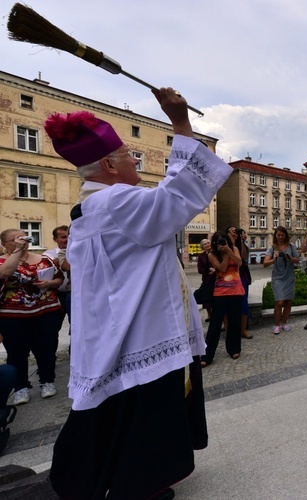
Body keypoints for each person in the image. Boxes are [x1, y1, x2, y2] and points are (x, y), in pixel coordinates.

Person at [45, 87, 234, 499]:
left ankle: (103, 479)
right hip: (142, 329)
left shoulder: (88, 208)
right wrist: (180, 123)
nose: (136, 162)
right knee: (146, 418)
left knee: (113, 411)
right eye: (131, 156)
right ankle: (139, 486)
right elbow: (180, 195)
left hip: (113, 327)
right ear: (111, 165)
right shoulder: (118, 201)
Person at [0, 229, 63, 405]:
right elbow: (4, 273)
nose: (23, 240)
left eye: (24, 237)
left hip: (46, 312)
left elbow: (59, 279)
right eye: (16, 239)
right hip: (13, 316)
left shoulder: (44, 259)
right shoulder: (3, 261)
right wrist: (17, 252)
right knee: (16, 353)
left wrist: (49, 283)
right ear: (4, 244)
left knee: (46, 349)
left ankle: (47, 381)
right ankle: (21, 387)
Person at [202, 231, 244, 366]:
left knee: (234, 321)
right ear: (214, 243)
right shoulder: (211, 255)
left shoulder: (235, 249)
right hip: (220, 292)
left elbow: (239, 263)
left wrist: (229, 250)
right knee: (215, 323)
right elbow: (223, 268)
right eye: (219, 241)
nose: (222, 243)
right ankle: (207, 355)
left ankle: (234, 349)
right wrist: (225, 254)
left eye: (224, 240)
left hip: (236, 290)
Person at [263, 226, 299, 334]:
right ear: (275, 235)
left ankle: (284, 323)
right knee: (279, 302)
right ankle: (276, 324)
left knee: (288, 301)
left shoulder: (291, 246)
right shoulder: (272, 248)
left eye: (282, 235)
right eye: (278, 235)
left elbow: (297, 260)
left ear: (285, 236)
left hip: (289, 277)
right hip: (278, 278)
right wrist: (274, 259)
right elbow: (265, 263)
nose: (280, 237)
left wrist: (289, 257)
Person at [43, 225, 71, 334]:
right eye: (63, 237)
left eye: (69, 236)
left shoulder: (78, 251)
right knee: (53, 327)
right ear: (55, 239)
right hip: (56, 293)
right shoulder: (48, 254)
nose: (67, 239)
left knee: (75, 325)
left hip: (73, 293)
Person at [227, 225, 252, 338]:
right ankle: (229, 329)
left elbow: (243, 257)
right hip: (227, 276)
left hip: (241, 275)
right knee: (227, 303)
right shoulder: (224, 244)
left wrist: (241, 240)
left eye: (236, 231)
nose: (234, 233)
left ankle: (243, 329)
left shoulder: (241, 245)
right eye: (232, 231)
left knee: (243, 302)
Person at [196, 238, 215, 322]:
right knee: (206, 297)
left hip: (216, 279)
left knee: (216, 298)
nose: (207, 245)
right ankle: (209, 315)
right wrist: (207, 270)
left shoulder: (215, 253)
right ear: (202, 247)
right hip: (207, 280)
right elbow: (200, 269)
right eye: (205, 244)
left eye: (208, 243)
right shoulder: (201, 256)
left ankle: (217, 314)